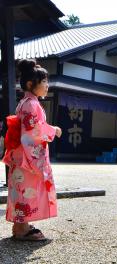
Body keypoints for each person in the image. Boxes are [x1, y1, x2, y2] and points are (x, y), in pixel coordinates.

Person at [2, 59, 62, 240]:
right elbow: (33, 130)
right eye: (44, 82)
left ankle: (21, 225)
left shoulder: (27, 102)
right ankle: (21, 229)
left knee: (22, 189)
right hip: (27, 157)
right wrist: (53, 130)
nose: (47, 86)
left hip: (22, 154)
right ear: (30, 84)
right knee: (26, 188)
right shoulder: (31, 104)